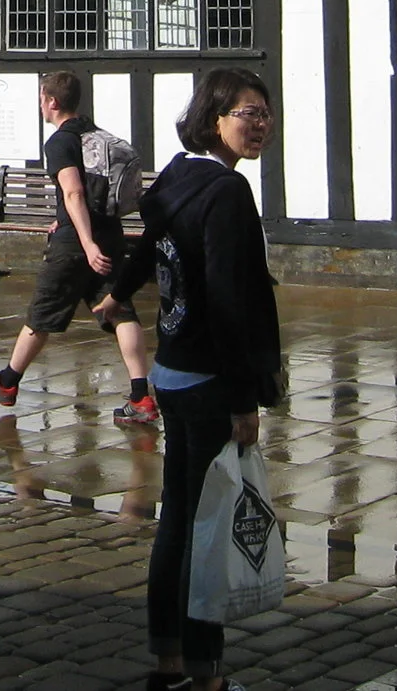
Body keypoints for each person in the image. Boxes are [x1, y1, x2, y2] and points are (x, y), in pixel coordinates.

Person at [101, 67, 282, 691]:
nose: (259, 124)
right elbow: (231, 301)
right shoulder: (227, 193)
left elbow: (151, 241)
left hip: (171, 375)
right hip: (207, 382)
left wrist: (116, 293)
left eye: (264, 113)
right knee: (206, 531)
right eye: (246, 113)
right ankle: (205, 675)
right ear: (214, 121)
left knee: (177, 519)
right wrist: (245, 398)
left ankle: (168, 659)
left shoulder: (179, 175)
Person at [0, 72, 157, 427]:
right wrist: (72, 225)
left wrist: (85, 243)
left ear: (52, 102)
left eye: (41, 98)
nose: (40, 104)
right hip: (111, 236)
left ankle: (6, 384)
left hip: (77, 245)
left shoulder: (60, 142)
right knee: (120, 312)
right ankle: (141, 397)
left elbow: (74, 193)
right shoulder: (95, 135)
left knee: (41, 315)